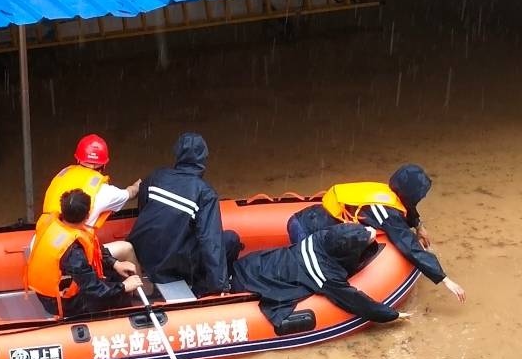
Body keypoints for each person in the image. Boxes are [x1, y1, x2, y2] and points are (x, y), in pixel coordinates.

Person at [287, 165, 466, 303]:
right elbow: (410, 247)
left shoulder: (390, 192)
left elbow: (406, 209)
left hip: (310, 218)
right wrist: (444, 279)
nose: (421, 198)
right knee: (316, 279)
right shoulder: (385, 212)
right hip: (306, 229)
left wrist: (418, 225)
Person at [230, 223, 412, 329]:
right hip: (248, 281)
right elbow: (355, 301)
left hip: (250, 263)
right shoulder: (326, 275)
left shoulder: (320, 236)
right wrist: (392, 315)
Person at [127, 133, 243, 296]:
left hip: (143, 256)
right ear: (204, 159)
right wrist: (220, 286)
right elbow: (210, 240)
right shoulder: (204, 192)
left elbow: (145, 210)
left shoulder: (156, 177)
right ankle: (203, 289)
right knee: (231, 239)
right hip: (173, 265)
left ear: (178, 154)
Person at [26, 189, 142, 318]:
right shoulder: (73, 252)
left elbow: (93, 249)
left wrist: (115, 263)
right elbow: (94, 289)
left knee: (112, 274)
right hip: (60, 301)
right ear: (87, 215)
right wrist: (124, 287)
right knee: (119, 295)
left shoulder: (54, 224)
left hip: (57, 283)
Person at [42, 133, 142, 275]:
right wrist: (140, 184)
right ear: (104, 163)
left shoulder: (62, 174)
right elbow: (130, 193)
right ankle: (143, 291)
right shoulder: (105, 192)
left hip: (47, 244)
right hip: (74, 255)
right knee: (127, 249)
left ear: (77, 158)